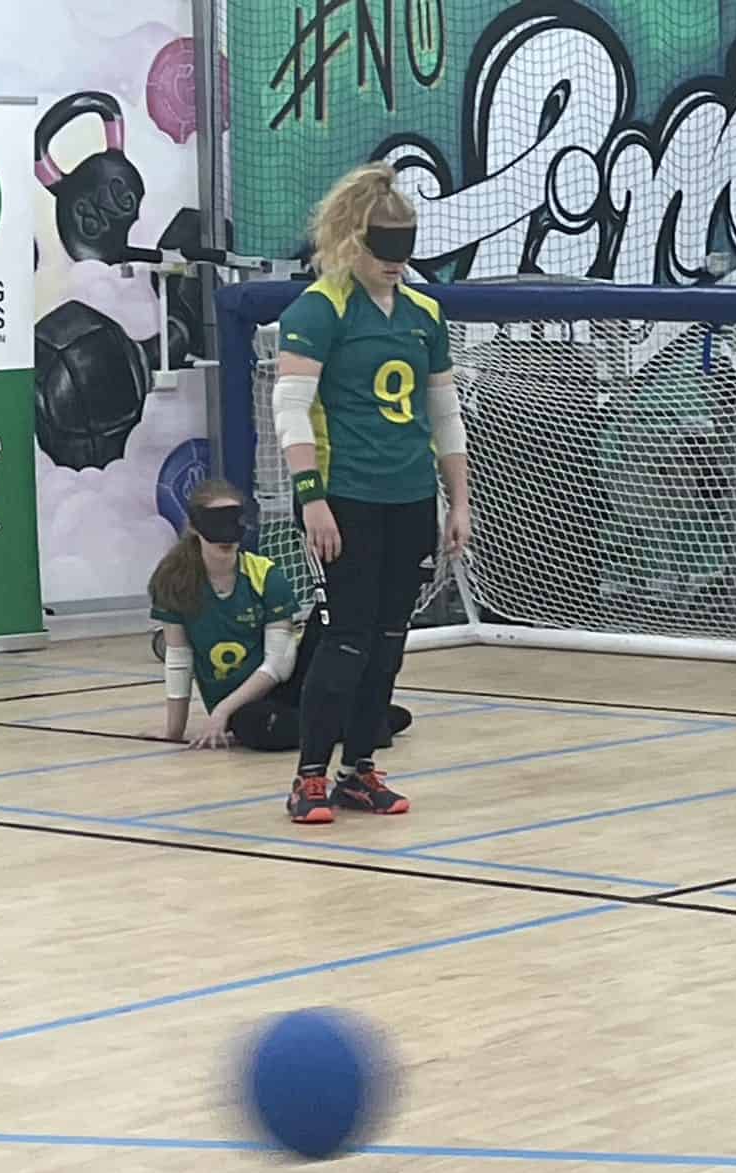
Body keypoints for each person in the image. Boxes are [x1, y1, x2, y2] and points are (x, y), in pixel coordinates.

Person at [271, 163, 470, 825]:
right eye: (383, 253)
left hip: (409, 496)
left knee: (389, 640)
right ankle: (308, 777)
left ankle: (359, 769)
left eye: (404, 253)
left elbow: (444, 416)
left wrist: (458, 500)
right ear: (352, 243)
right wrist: (311, 499)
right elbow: (291, 411)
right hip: (346, 497)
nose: (395, 265)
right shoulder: (318, 310)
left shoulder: (423, 313)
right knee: (347, 638)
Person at [144, 480, 413, 752]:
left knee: (333, 613)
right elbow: (179, 659)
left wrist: (221, 711)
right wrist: (174, 730)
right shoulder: (173, 582)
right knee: (257, 728)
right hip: (247, 706)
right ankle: (353, 721)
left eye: (234, 520)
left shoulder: (265, 576)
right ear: (194, 526)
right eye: (215, 521)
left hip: (288, 685)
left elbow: (279, 665)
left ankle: (345, 717)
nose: (226, 534)